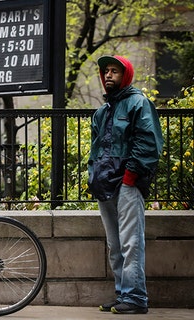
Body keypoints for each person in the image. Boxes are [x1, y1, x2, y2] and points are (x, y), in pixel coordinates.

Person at [88, 55, 163, 315]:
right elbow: (96, 150)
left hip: (128, 184)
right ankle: (123, 294)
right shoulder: (102, 111)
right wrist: (93, 177)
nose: (108, 75)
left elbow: (149, 144)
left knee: (131, 242)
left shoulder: (138, 104)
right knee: (115, 244)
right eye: (106, 71)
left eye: (114, 71)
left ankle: (135, 298)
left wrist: (131, 176)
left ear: (125, 75)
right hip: (105, 184)